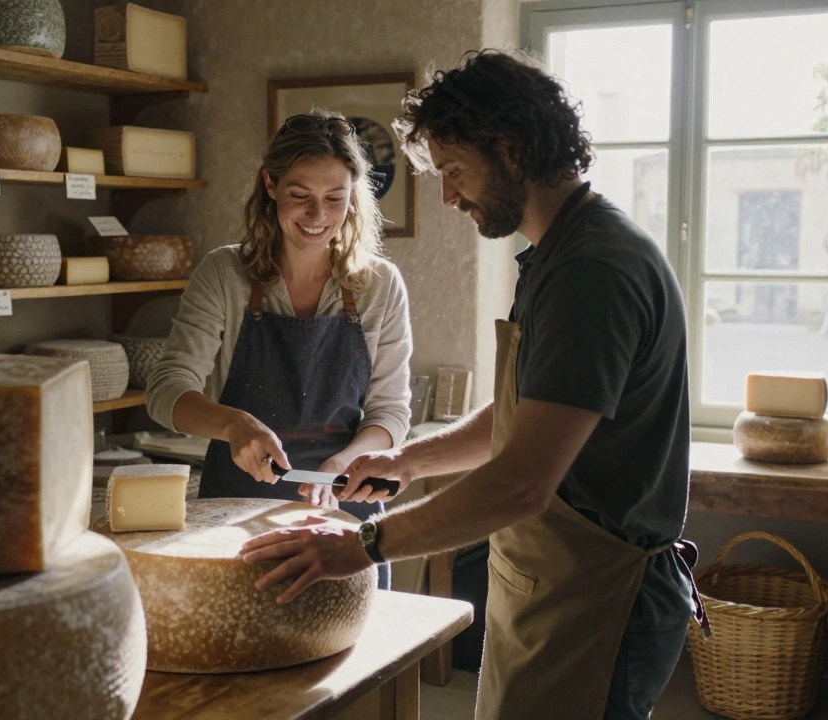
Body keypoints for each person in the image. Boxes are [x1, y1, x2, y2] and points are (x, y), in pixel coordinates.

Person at [240, 50, 708, 720]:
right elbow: (527, 412)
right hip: (559, 585)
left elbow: (522, 480)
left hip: (600, 598)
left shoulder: (593, 270)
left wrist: (364, 545)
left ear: (510, 149)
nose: (449, 196)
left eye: (454, 170)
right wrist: (409, 461)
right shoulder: (557, 253)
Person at [145, 108, 414, 589]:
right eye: (300, 196)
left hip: (342, 515)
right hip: (235, 517)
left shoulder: (379, 284)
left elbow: (390, 414)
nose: (318, 216)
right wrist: (233, 425)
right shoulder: (224, 275)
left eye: (335, 198)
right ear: (270, 185)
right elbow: (166, 392)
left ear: (354, 194)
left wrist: (344, 463)